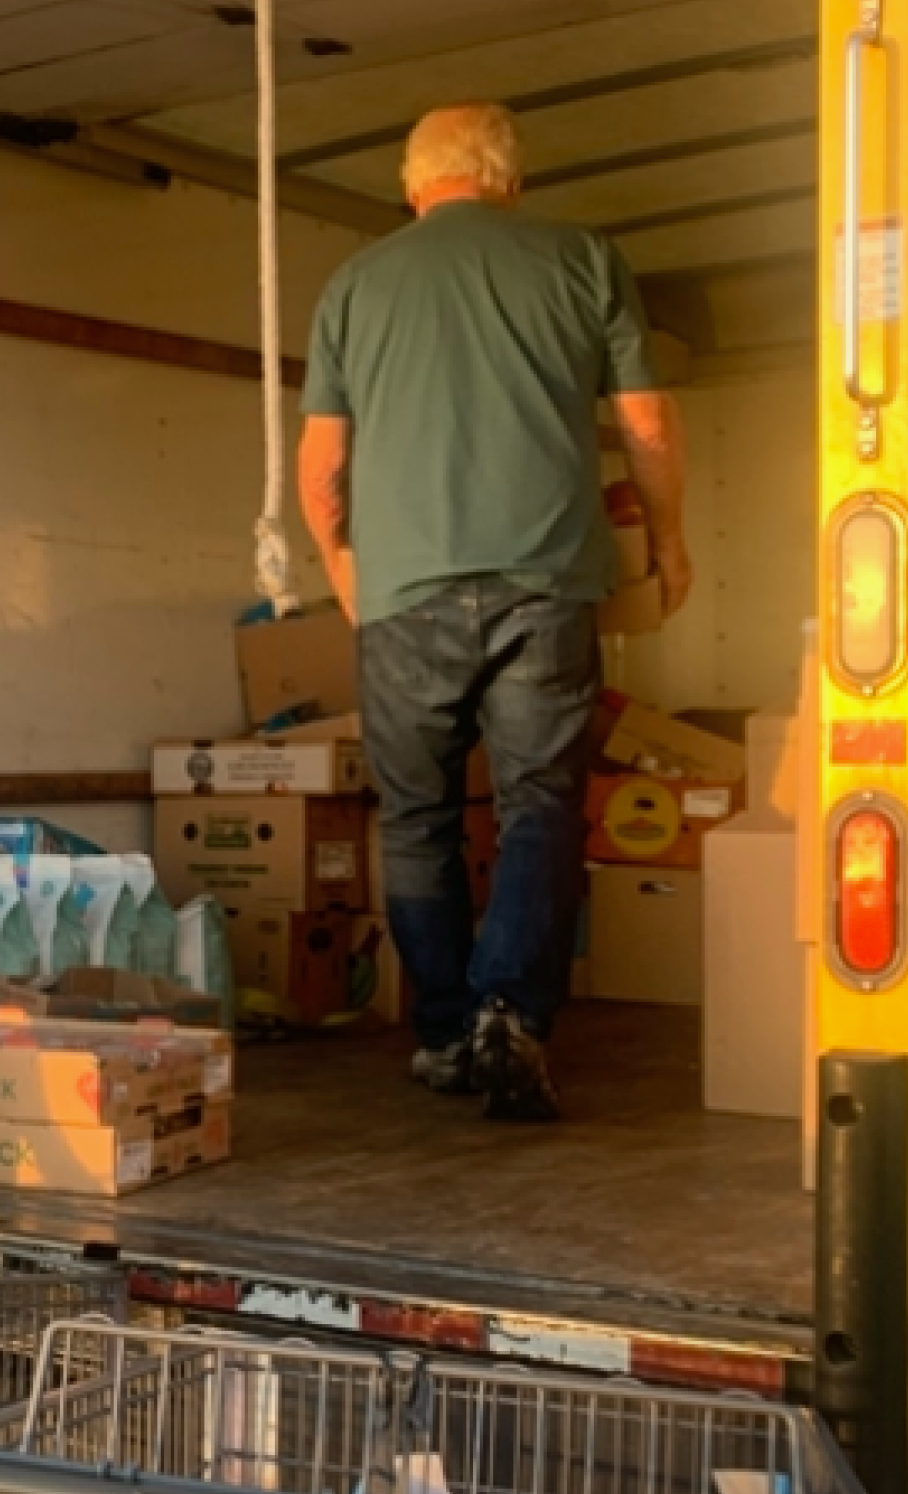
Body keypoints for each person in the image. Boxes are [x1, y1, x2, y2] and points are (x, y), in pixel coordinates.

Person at [297, 102, 691, 1122]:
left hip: (404, 594)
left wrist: (346, 570)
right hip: (546, 580)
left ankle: (440, 1034)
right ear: (510, 180)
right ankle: (511, 1010)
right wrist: (669, 536)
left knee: (418, 814)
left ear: (409, 184)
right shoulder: (582, 259)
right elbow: (644, 423)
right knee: (539, 805)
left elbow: (321, 467)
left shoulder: (356, 283)